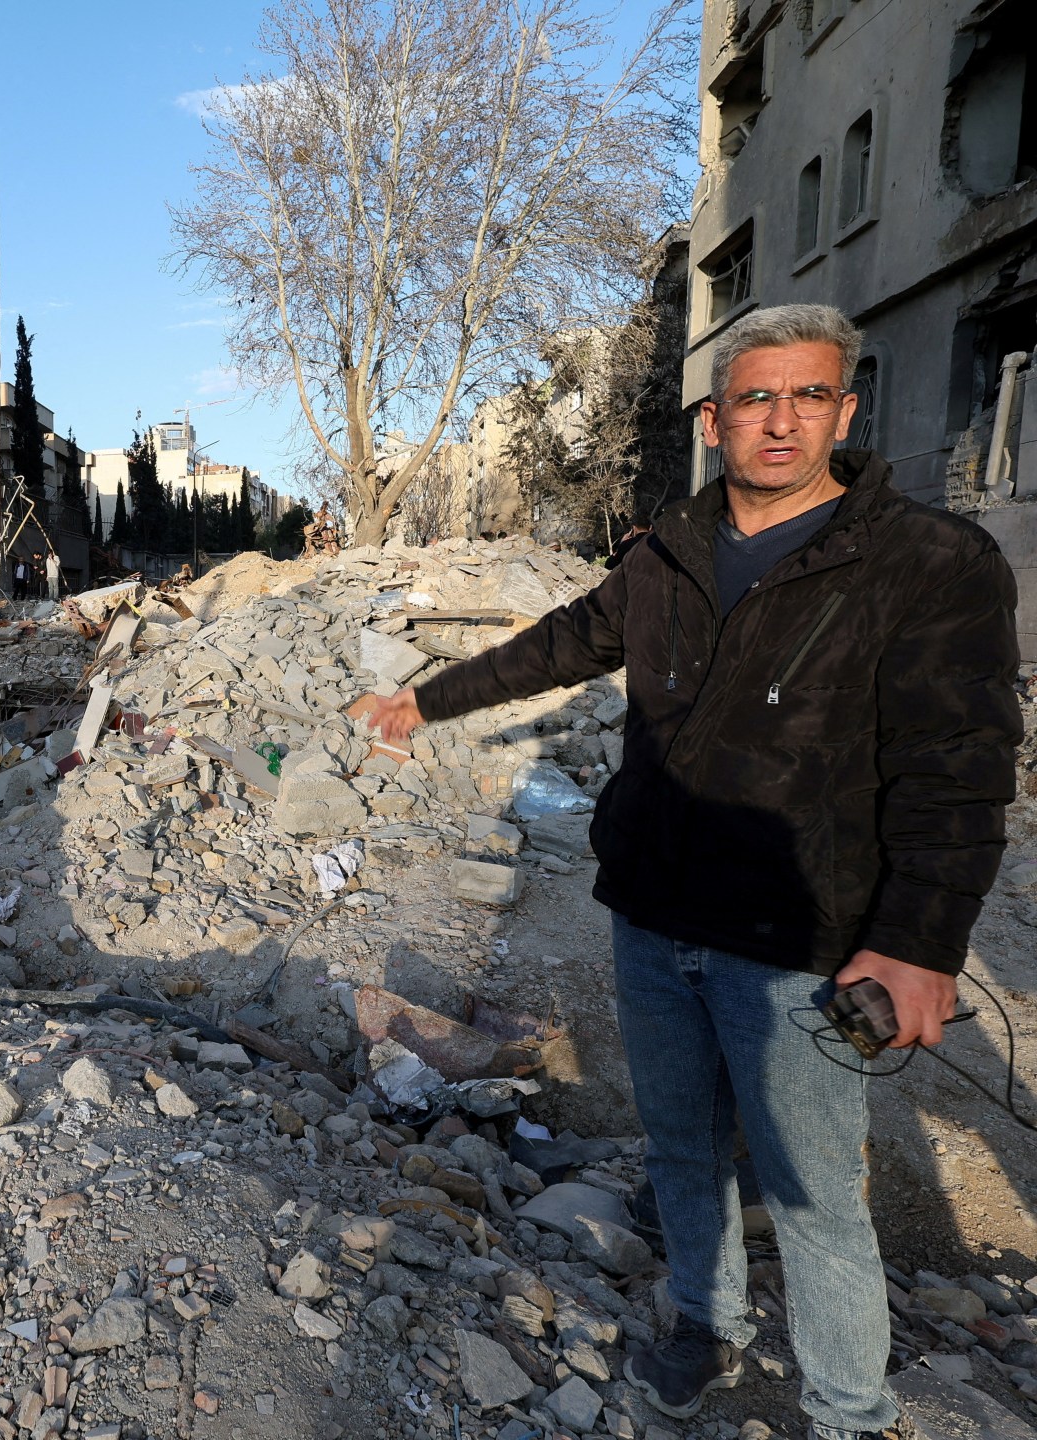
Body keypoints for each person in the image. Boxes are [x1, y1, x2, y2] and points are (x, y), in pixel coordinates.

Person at [364, 304, 1021, 1440]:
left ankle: (849, 1412)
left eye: (809, 396)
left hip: (799, 942)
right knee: (679, 1148)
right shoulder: (668, 550)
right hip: (655, 915)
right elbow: (560, 643)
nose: (782, 420)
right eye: (756, 398)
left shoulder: (928, 562)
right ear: (715, 422)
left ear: (846, 411)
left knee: (815, 1194)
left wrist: (918, 944)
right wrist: (424, 701)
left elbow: (958, 767)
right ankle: (705, 1326)